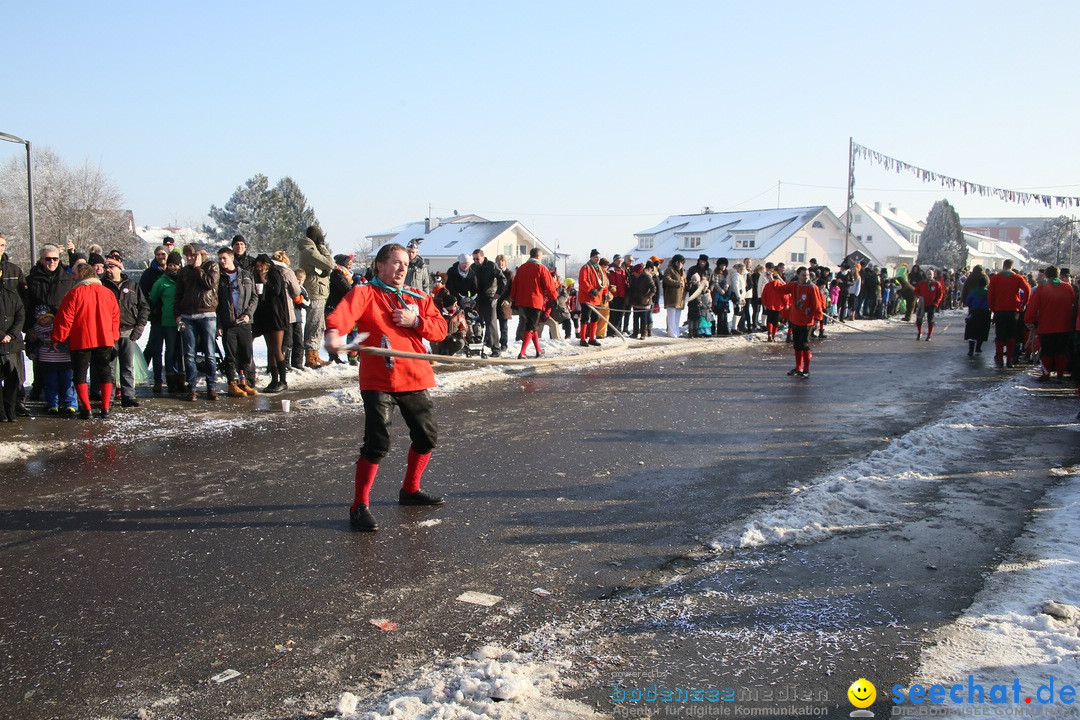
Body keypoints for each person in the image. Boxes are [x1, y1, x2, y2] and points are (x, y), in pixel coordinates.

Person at [324, 243, 448, 532]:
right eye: (395, 262)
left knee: (427, 438)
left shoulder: (417, 296)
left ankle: (410, 491)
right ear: (380, 266)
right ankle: (359, 505)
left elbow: (440, 328)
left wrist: (415, 320)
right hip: (379, 379)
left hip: (414, 375)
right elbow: (343, 315)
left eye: (405, 263)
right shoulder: (365, 293)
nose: (402, 268)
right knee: (377, 444)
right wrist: (333, 333)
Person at [51, 263, 120, 419]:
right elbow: (115, 318)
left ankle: (87, 408)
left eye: (74, 273)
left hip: (81, 340)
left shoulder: (75, 293)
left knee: (80, 374)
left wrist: (58, 338)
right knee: (105, 372)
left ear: (82, 274)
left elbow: (65, 318)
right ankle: (105, 408)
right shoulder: (108, 293)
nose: (72, 276)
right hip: (104, 339)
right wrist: (113, 336)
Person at [101, 255, 149, 407]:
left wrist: (140, 327)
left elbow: (144, 307)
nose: (108, 270)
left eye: (112, 267)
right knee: (110, 366)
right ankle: (109, 396)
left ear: (119, 268)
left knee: (127, 366)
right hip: (109, 333)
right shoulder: (102, 285)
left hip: (128, 331)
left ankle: (128, 396)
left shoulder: (133, 285)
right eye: (107, 267)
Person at [174, 243, 220, 401]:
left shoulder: (211, 266)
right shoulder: (183, 271)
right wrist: (177, 314)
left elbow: (209, 284)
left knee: (209, 353)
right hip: (187, 316)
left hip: (207, 314)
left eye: (192, 255)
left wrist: (198, 268)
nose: (189, 258)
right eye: (187, 255)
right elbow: (178, 293)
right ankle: (192, 387)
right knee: (189, 354)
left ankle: (211, 386)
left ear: (200, 255)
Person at [216, 247, 259, 397]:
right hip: (229, 322)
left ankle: (243, 381)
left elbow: (254, 297)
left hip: (244, 321)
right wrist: (219, 324)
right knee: (230, 355)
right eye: (220, 258)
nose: (222, 261)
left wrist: (248, 313)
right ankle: (232, 384)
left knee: (246, 353)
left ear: (231, 257)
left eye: (224, 258)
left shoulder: (245, 275)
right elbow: (217, 304)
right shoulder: (219, 278)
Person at [1025, 266, 1075, 382]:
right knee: (1061, 351)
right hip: (1064, 325)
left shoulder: (1042, 289)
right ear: (1058, 275)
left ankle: (1045, 375)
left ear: (1046, 275)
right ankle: (1060, 375)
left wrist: (1030, 320)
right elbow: (1073, 304)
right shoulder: (1068, 287)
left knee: (1047, 351)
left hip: (1046, 326)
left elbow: (1033, 307)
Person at [26, 306, 77, 415]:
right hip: (46, 359)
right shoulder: (35, 329)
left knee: (67, 382)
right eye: (42, 319)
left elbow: (71, 336)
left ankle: (71, 404)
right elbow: (31, 342)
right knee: (50, 383)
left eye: (47, 318)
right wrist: (31, 351)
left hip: (64, 358)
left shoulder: (61, 325)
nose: (45, 321)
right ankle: (52, 404)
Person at [253, 253, 293, 393]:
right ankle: (274, 379)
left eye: (260, 266)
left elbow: (276, 291)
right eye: (256, 266)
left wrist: (265, 282)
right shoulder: (256, 276)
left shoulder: (274, 273)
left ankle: (283, 380)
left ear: (266, 264)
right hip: (265, 316)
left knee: (277, 348)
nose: (258, 268)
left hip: (277, 316)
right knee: (270, 349)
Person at [509, 247, 558, 359]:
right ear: (538, 256)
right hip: (535, 301)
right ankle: (522, 352)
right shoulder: (541, 268)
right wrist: (554, 297)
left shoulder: (521, 268)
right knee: (531, 326)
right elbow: (549, 285)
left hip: (522, 301)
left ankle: (538, 350)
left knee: (532, 325)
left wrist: (513, 297)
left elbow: (514, 284)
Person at [149, 251, 186, 394]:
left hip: (184, 320)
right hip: (168, 321)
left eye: (175, 265)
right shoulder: (161, 282)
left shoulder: (184, 280)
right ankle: (171, 381)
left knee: (181, 351)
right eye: (170, 265)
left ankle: (181, 380)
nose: (173, 268)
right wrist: (157, 310)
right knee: (170, 351)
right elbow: (152, 298)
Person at [780, 266, 824, 378]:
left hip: (807, 321)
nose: (806, 277)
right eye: (804, 275)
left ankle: (806, 369)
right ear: (798, 275)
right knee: (797, 345)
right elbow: (781, 289)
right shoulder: (794, 285)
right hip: (795, 319)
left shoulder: (812, 287)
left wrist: (817, 319)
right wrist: (773, 280)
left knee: (804, 345)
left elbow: (817, 304)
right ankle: (798, 367)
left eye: (807, 275)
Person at [299, 225, 334, 369]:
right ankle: (310, 356)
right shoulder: (309, 251)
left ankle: (315, 353)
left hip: (319, 291)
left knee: (319, 325)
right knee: (314, 325)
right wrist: (322, 246)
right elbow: (329, 263)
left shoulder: (311, 251)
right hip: (314, 292)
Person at [987, 259, 1032, 368]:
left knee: (1000, 336)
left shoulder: (995, 278)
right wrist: (1024, 303)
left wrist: (992, 308)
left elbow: (990, 295)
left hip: (999, 310)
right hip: (1013, 310)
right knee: (1011, 335)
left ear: (1003, 266)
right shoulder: (1017, 278)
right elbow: (1028, 290)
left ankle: (1000, 359)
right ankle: (1009, 360)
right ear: (1012, 266)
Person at [140, 245, 169, 393]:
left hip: (170, 317)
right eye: (158, 254)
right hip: (157, 317)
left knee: (171, 350)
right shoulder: (149, 273)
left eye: (163, 254)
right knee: (156, 349)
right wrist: (152, 308)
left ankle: (172, 378)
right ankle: (157, 379)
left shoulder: (173, 272)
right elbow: (142, 293)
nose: (161, 257)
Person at [0, 262, 25, 422]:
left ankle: (10, 411)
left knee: (13, 379)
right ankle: (1, 413)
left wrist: (12, 334)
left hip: (12, 343)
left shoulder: (12, 293)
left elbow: (20, 314)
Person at [471, 248, 502, 357]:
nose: (475, 261)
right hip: (478, 298)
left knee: (491, 324)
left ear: (483, 257)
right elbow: (470, 283)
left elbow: (502, 279)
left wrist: (498, 293)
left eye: (477, 259)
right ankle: (478, 348)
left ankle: (496, 349)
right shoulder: (473, 267)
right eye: (474, 259)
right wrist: (470, 296)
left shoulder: (491, 265)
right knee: (477, 323)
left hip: (490, 297)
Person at [326, 254, 356, 364]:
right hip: (334, 306)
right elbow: (346, 289)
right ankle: (333, 356)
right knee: (334, 331)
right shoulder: (337, 273)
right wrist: (357, 285)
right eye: (348, 263)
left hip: (343, 306)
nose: (350, 265)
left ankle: (350, 354)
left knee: (348, 331)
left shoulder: (348, 275)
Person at [578, 249, 608, 346]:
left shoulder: (601, 269)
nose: (597, 259)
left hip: (597, 298)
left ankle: (592, 338)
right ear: (591, 257)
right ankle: (582, 338)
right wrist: (590, 290)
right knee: (585, 317)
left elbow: (604, 283)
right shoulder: (585, 268)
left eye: (599, 258)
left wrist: (605, 293)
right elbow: (583, 281)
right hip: (587, 297)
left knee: (595, 317)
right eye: (595, 257)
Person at [963, 273, 991, 357]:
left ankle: (970, 350)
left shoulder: (973, 291)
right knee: (982, 331)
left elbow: (968, 302)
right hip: (985, 313)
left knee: (972, 332)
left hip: (974, 312)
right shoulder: (988, 292)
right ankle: (978, 348)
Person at [914, 268, 945, 341]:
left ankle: (929, 335)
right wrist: (919, 297)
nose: (929, 276)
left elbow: (940, 295)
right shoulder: (922, 283)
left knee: (930, 320)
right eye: (928, 274)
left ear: (933, 275)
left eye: (931, 274)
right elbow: (916, 291)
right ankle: (919, 333)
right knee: (919, 319)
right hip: (922, 304)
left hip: (932, 304)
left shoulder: (937, 284)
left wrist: (936, 303)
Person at [662, 255, 687, 339]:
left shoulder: (683, 272)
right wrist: (677, 283)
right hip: (672, 297)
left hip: (680, 298)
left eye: (681, 262)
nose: (680, 264)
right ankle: (671, 332)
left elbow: (685, 281)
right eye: (678, 262)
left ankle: (677, 331)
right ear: (675, 262)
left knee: (677, 316)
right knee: (671, 316)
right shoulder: (670, 270)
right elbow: (666, 279)